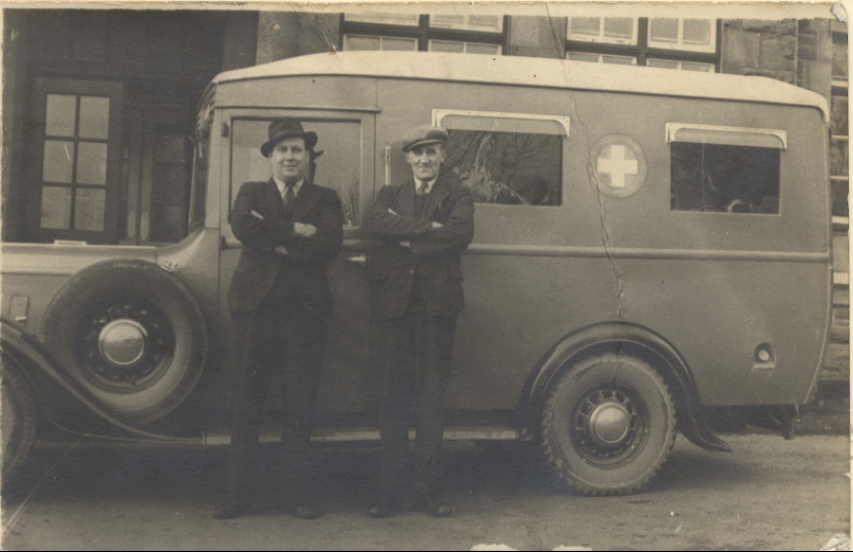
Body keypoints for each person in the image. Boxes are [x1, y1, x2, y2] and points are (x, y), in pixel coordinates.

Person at [214, 118, 344, 520]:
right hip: (256, 310)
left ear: (307, 158)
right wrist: (295, 229)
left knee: (299, 405)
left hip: (305, 313)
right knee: (246, 403)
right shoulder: (250, 191)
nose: (290, 157)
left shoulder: (326, 198)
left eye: (297, 150)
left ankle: (294, 496)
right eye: (282, 150)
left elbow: (329, 243)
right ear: (270, 156)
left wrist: (281, 246)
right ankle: (239, 497)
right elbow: (243, 226)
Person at [367, 125, 475, 518]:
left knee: (432, 400)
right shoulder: (388, 195)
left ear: (442, 156)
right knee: (392, 397)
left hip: (438, 306)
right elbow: (376, 223)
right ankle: (389, 493)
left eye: (432, 152)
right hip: (395, 305)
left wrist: (406, 240)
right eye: (418, 153)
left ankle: (428, 491)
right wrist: (429, 229)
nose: (425, 159)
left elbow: (461, 234)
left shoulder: (458, 193)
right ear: (407, 158)